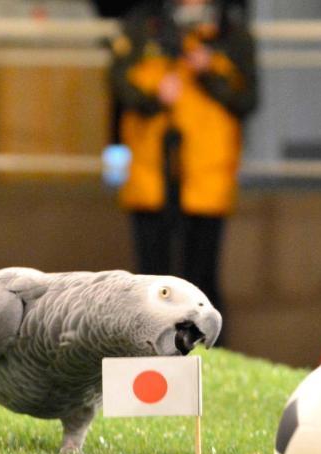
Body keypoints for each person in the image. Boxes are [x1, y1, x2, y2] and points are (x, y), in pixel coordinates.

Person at [109, 0, 258, 332]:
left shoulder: (232, 32)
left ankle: (208, 353)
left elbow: (248, 99)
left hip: (208, 176)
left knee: (203, 278)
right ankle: (147, 349)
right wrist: (154, 95)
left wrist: (210, 71)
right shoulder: (143, 23)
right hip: (150, 172)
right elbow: (117, 82)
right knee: (149, 280)